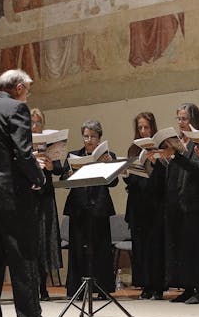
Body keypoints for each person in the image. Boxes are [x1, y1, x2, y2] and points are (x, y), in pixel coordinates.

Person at [0, 69, 58, 317]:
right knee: (23, 258)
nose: (29, 93)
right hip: (11, 196)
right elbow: (23, 153)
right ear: (19, 87)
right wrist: (39, 177)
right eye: (28, 88)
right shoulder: (17, 109)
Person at [62, 120, 119, 298]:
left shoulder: (108, 155)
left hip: (99, 207)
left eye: (93, 136)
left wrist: (109, 166)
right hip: (78, 207)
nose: (89, 140)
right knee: (78, 249)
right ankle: (77, 289)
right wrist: (70, 175)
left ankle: (102, 288)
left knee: (100, 249)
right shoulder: (74, 155)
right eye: (86, 136)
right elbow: (64, 181)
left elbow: (114, 182)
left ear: (99, 138)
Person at [162, 103, 199, 304]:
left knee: (193, 247)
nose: (181, 122)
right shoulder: (178, 141)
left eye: (184, 119)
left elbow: (198, 168)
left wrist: (175, 155)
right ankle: (187, 287)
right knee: (180, 247)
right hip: (175, 200)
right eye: (179, 119)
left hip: (192, 201)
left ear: (193, 120)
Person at [124, 112, 167, 299]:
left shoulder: (161, 148)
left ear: (152, 128)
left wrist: (156, 163)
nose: (143, 131)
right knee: (139, 247)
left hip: (155, 205)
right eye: (140, 128)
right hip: (137, 204)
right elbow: (131, 180)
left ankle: (157, 286)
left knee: (155, 247)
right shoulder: (133, 149)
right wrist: (126, 173)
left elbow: (164, 179)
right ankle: (145, 285)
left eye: (146, 127)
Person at [30, 108, 63, 301]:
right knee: (31, 241)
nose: (35, 126)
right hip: (28, 197)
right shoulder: (23, 143)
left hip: (45, 197)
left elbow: (59, 168)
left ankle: (43, 287)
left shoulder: (49, 142)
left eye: (38, 123)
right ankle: (32, 286)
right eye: (32, 123)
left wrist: (51, 166)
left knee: (44, 241)